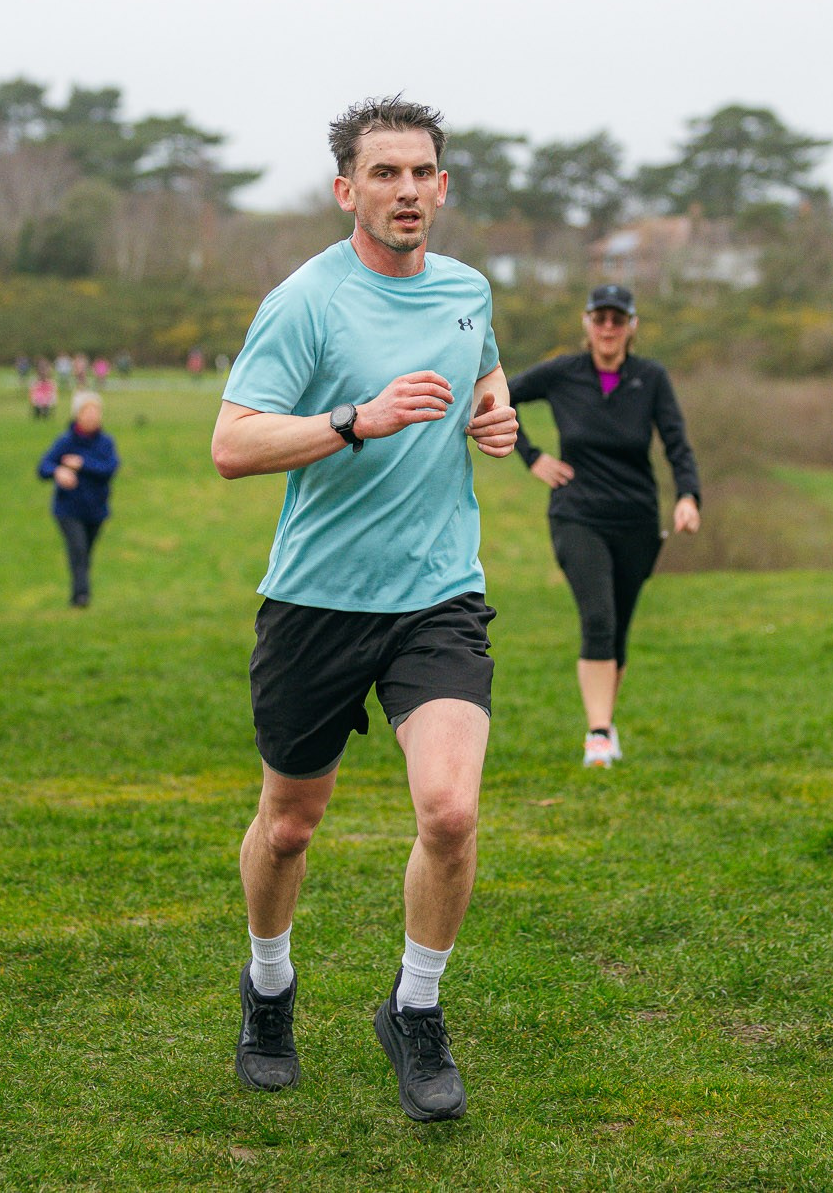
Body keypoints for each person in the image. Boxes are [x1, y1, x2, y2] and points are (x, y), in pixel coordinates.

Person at [210, 98, 518, 1122]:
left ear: (442, 187)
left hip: (437, 593)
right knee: (291, 824)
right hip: (314, 602)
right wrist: (355, 419)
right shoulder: (304, 301)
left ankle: (414, 1007)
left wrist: (495, 414)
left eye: (420, 172)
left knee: (450, 808)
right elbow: (232, 444)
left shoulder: (468, 289)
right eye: (383, 173)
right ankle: (267, 986)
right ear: (346, 189)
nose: (405, 191)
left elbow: (482, 369)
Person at [509, 283, 701, 767]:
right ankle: (597, 734)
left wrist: (687, 496)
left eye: (618, 319)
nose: (608, 328)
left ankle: (605, 725)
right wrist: (531, 457)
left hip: (636, 519)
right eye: (600, 318)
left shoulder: (650, 378)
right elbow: (495, 397)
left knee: (616, 633)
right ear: (587, 324)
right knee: (597, 618)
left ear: (632, 326)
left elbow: (676, 441)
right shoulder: (562, 373)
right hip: (577, 514)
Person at [37, 391, 121, 608]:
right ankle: (81, 596)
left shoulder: (105, 442)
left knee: (84, 554)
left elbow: (110, 468)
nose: (93, 416)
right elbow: (43, 466)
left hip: (96, 510)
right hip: (68, 510)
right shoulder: (66, 441)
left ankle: (80, 591)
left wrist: (82, 464)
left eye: (96, 411)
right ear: (78, 414)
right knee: (78, 549)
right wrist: (58, 472)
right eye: (87, 411)